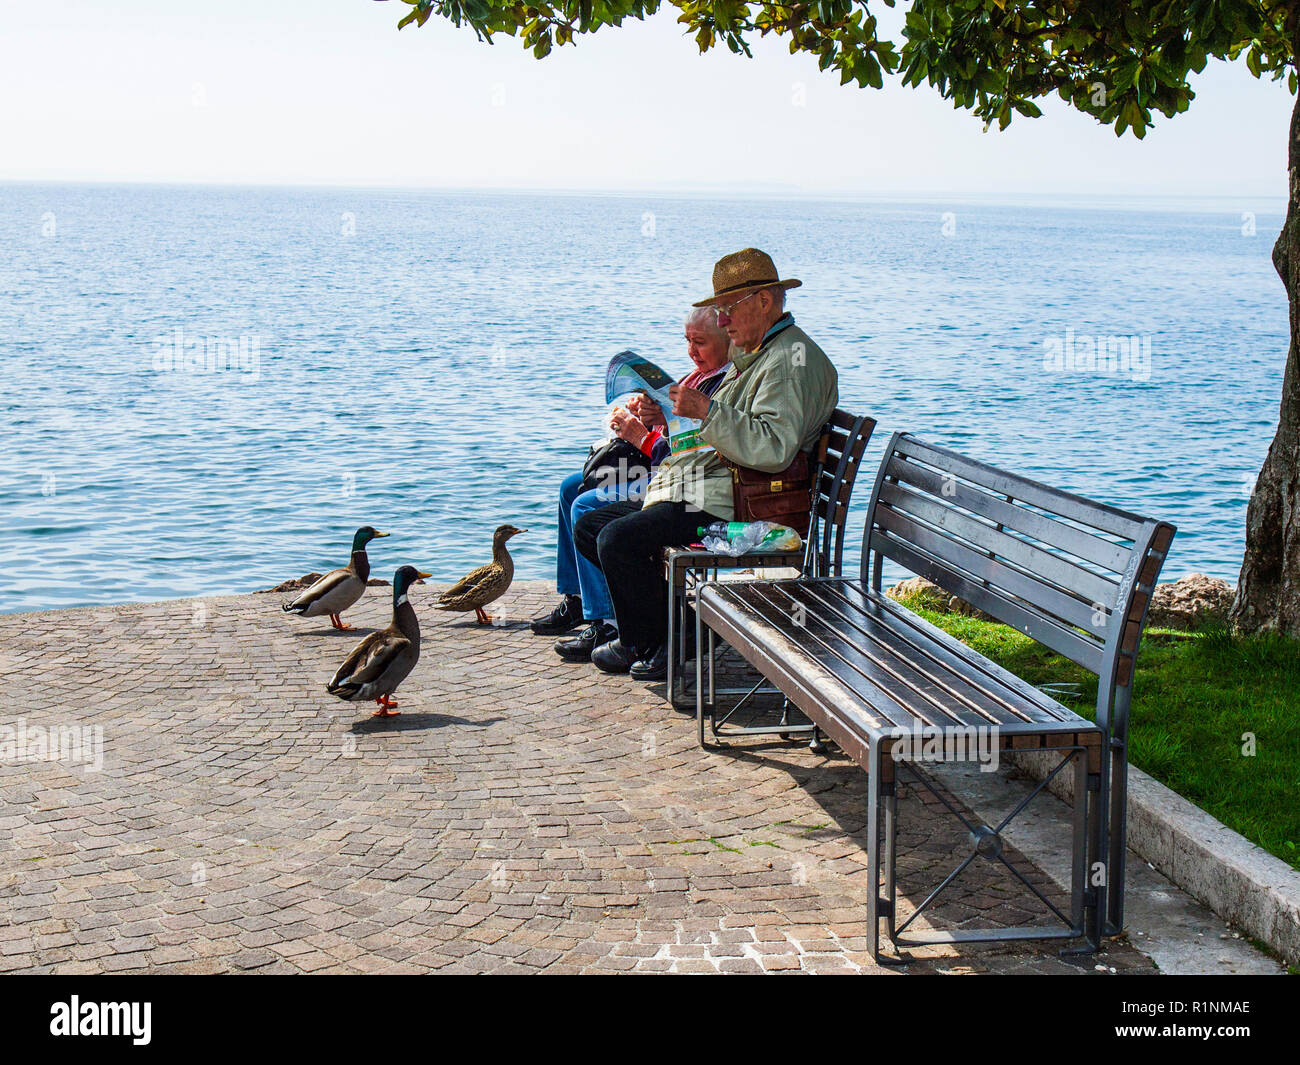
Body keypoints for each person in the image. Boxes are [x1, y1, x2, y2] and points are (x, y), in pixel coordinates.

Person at [573, 248, 838, 681]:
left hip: (742, 507)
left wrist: (705, 410)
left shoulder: (790, 363)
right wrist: (677, 420)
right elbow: (740, 431)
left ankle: (661, 640)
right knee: (592, 526)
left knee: (617, 540)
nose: (725, 322)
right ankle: (671, 634)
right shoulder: (764, 352)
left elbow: (772, 448)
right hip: (715, 489)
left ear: (764, 301)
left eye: (728, 310)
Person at [529, 308, 733, 664]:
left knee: (586, 506)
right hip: (664, 475)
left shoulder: (721, 384)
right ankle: (579, 600)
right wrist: (653, 418)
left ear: (728, 339)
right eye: (687, 342)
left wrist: (642, 437)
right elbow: (681, 436)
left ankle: (607, 618)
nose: (692, 352)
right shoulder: (697, 377)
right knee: (569, 488)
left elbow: (696, 454)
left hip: (676, 483)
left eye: (700, 342)